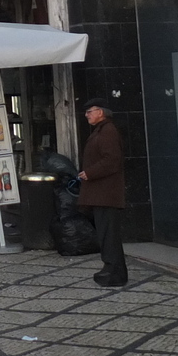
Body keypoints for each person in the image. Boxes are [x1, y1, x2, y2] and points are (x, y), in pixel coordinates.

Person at [77, 98, 126, 287]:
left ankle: (114, 272)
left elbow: (112, 160)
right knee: (106, 234)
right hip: (102, 193)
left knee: (109, 234)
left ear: (101, 112)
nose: (87, 115)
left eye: (90, 111)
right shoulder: (102, 130)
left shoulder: (108, 131)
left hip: (106, 193)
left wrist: (90, 173)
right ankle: (112, 269)